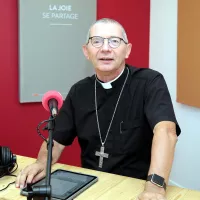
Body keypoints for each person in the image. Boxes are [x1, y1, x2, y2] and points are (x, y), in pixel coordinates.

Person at [16, 18, 181, 200]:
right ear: (86, 51)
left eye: (114, 41)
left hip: (138, 187)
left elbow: (166, 131)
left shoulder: (150, 82)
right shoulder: (79, 91)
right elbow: (56, 139)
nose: (105, 48)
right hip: (91, 186)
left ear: (128, 50)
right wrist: (41, 162)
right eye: (97, 41)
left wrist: (155, 186)